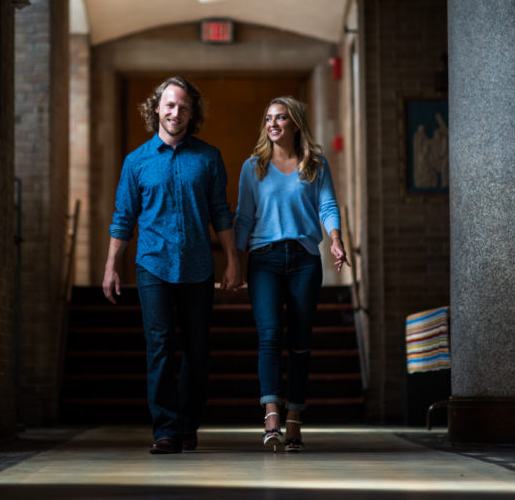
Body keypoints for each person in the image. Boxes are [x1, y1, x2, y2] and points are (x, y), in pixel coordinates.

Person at [102, 76, 241, 455]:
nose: (175, 111)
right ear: (156, 109)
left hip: (198, 266)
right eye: (169, 104)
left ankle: (187, 424)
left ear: (191, 113)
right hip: (153, 265)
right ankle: (165, 430)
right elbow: (123, 217)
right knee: (160, 347)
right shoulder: (136, 162)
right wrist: (111, 265)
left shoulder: (209, 158)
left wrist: (232, 261)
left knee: (198, 350)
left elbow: (221, 213)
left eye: (182, 106)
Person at [234, 96, 349, 452]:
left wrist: (335, 239)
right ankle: (271, 416)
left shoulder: (315, 164)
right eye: (268, 118)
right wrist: (234, 262)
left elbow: (328, 204)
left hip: (303, 259)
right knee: (269, 335)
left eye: (281, 118)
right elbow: (243, 216)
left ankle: (295, 418)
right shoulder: (253, 167)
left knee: (300, 341)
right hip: (264, 259)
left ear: (295, 123)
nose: (273, 124)